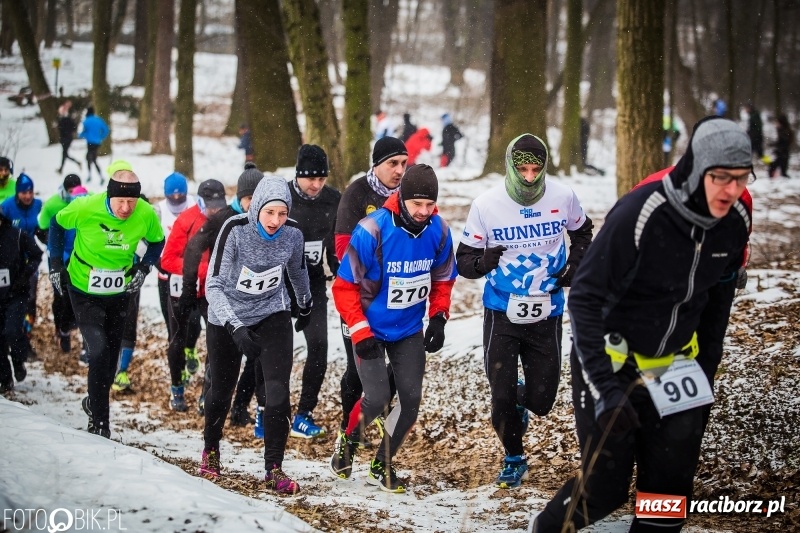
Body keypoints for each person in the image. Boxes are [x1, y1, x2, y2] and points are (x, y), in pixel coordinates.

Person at [530, 117, 754, 532]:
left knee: (666, 499)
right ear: (697, 168)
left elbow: (717, 306)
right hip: (610, 361)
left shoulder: (736, 219)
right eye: (720, 177)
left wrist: (704, 375)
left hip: (675, 366)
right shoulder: (643, 211)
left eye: (741, 179)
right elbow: (583, 296)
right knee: (603, 488)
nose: (731, 189)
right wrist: (606, 385)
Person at [456, 133, 593, 489]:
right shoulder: (487, 204)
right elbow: (464, 262)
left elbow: (583, 232)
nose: (531, 177)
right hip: (502, 310)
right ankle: (514, 457)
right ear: (511, 167)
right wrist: (483, 261)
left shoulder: (563, 196)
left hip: (547, 311)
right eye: (524, 170)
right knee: (500, 396)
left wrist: (574, 267)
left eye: (537, 169)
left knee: (542, 400)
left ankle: (518, 396)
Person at [330, 163, 456, 493]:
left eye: (430, 205)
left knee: (410, 401)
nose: (423, 212)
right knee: (376, 397)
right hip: (369, 326)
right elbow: (343, 287)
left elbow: (443, 278)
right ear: (401, 199)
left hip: (409, 328)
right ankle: (348, 440)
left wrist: (439, 317)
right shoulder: (372, 229)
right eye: (417, 205)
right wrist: (359, 330)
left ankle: (382, 464)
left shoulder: (439, 231)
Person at [199, 175, 311, 496]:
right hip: (227, 317)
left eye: (282, 213)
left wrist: (305, 305)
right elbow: (214, 286)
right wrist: (235, 327)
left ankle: (273, 468)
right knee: (222, 389)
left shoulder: (292, 235)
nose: (276, 221)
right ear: (257, 208)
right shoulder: (235, 230)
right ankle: (211, 449)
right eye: (269, 213)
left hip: (271, 312)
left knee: (277, 390)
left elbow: (297, 272)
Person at [48, 161, 165, 438]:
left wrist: (144, 267)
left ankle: (94, 401)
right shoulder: (86, 207)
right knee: (98, 349)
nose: (126, 208)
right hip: (83, 290)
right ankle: (100, 422)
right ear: (109, 196)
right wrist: (55, 264)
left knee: (110, 360)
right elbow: (56, 224)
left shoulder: (145, 213)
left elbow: (157, 242)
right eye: (120, 201)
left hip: (119, 293)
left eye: (131, 202)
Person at [333, 136, 408, 440]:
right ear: (377, 165)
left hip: (395, 299)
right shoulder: (356, 193)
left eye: (404, 163)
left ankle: (376, 409)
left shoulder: (409, 196)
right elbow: (341, 249)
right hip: (359, 299)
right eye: (393, 163)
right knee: (358, 368)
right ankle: (348, 429)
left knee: (400, 364)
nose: (400, 170)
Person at [181, 165, 263, 420]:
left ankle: (240, 407)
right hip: (222, 297)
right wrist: (188, 290)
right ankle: (209, 400)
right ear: (240, 199)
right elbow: (193, 249)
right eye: (249, 199)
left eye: (258, 199)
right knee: (222, 355)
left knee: (256, 355)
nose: (254, 205)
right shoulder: (222, 219)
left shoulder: (270, 221)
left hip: (256, 300)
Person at [285, 144, 341, 438]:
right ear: (298, 176)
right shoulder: (282, 197)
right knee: (274, 348)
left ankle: (304, 413)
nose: (316, 185)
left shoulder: (333, 199)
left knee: (319, 344)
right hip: (280, 284)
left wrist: (339, 268)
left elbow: (335, 240)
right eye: (311, 179)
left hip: (313, 282)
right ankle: (266, 409)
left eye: (321, 179)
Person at [160, 179, 227, 410]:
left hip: (211, 291)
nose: (215, 210)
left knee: (216, 341)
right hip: (184, 288)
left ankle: (206, 394)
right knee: (178, 338)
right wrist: (201, 270)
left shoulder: (225, 221)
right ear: (199, 201)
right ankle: (176, 388)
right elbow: (167, 260)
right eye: (210, 205)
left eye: (219, 204)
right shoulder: (186, 220)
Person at [144, 171, 199, 393]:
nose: (177, 201)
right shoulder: (158, 211)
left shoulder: (195, 205)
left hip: (193, 275)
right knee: (173, 327)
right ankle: (180, 367)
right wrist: (160, 264)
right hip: (167, 277)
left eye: (181, 197)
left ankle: (191, 349)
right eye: (172, 197)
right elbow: (147, 241)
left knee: (194, 322)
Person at [0, 211, 43, 393]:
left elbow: (36, 254)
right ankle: (5, 378)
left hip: (16, 294)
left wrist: (24, 276)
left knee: (12, 330)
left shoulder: (17, 234)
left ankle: (19, 360)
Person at [0, 173, 45, 343]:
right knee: (10, 297)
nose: (27, 196)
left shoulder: (39, 206)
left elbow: (43, 228)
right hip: (11, 260)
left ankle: (25, 335)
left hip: (31, 257)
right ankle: (9, 335)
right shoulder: (7, 207)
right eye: (24, 192)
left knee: (30, 298)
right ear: (17, 193)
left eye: (30, 192)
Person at [45, 184, 88, 354]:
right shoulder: (65, 220)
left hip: (88, 270)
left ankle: (87, 346)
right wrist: (63, 265)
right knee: (66, 305)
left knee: (88, 307)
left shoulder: (93, 222)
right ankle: (64, 331)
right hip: (68, 267)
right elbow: (57, 244)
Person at [79, 106, 110, 184]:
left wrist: (82, 135)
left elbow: (83, 132)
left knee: (91, 159)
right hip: (97, 142)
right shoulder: (99, 120)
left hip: (90, 142)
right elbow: (106, 130)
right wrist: (101, 137)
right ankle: (94, 176)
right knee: (91, 158)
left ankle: (97, 176)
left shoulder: (86, 121)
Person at [57, 100, 81, 174]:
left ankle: (62, 168)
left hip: (65, 138)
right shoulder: (69, 120)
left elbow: (60, 129)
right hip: (68, 138)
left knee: (65, 154)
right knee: (65, 153)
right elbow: (74, 127)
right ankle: (61, 168)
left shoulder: (62, 120)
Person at [768, 114, 794, 179]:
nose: (776, 124)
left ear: (781, 123)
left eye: (777, 122)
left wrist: (778, 149)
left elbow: (784, 142)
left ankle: (773, 178)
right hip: (783, 153)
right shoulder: (783, 130)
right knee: (781, 170)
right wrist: (773, 144)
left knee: (775, 168)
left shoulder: (784, 131)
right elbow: (781, 142)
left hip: (783, 153)